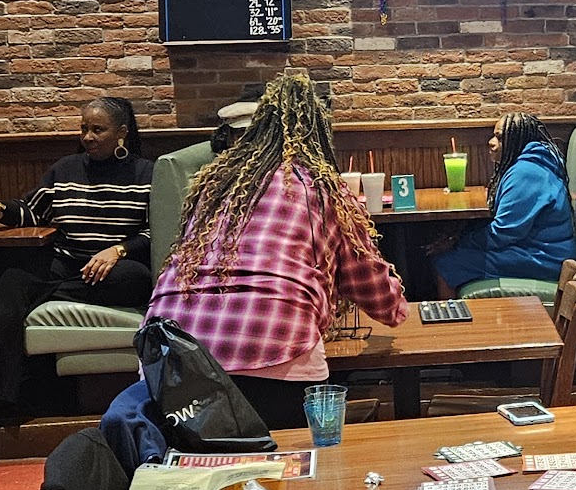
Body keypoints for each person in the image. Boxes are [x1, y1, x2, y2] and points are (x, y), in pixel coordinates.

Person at [147, 74, 408, 430]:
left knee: (194, 460)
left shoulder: (213, 183)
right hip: (274, 350)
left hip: (170, 352)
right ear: (319, 134)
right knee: (289, 459)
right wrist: (397, 309)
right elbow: (370, 285)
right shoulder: (319, 187)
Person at [0, 97, 155, 420]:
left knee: (136, 278)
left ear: (121, 132)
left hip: (116, 269)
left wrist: (118, 250)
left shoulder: (146, 173)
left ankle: (45, 293)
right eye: (84, 129)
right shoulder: (65, 169)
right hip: (69, 265)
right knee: (13, 280)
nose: (88, 137)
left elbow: (155, 230)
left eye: (98, 130)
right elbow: (33, 211)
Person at [427, 112, 576, 296]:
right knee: (448, 255)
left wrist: (458, 242)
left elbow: (504, 233)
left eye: (499, 138)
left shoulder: (526, 172)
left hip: (545, 258)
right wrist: (460, 238)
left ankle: (453, 315)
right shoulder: (530, 164)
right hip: (539, 250)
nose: (491, 142)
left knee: (446, 264)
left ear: (517, 140)